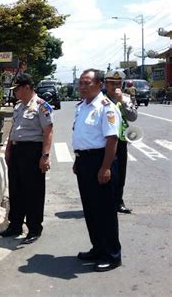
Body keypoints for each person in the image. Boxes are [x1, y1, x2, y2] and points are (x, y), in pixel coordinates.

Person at [72, 68, 122, 272]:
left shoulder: (106, 107)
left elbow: (112, 139)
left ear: (99, 84)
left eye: (87, 83)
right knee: (91, 209)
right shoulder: (82, 106)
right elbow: (83, 135)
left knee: (105, 211)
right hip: (84, 161)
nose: (82, 87)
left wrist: (105, 167)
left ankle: (112, 255)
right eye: (81, 83)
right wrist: (77, 160)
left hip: (101, 161)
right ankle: (98, 248)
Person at [0, 74, 54, 245]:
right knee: (16, 189)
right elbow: (13, 129)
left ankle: (34, 227)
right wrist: (8, 150)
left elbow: (48, 132)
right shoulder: (18, 106)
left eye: (17, 88)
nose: (14, 92)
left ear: (27, 87)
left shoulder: (42, 106)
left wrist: (45, 156)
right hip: (16, 150)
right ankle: (15, 225)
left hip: (33, 151)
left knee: (33, 191)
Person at [104, 70, 138, 213]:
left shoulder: (126, 98)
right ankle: (105, 202)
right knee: (106, 172)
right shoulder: (100, 99)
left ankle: (118, 201)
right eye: (112, 83)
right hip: (104, 142)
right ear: (106, 84)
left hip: (121, 140)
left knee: (120, 173)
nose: (115, 86)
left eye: (118, 83)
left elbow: (133, 116)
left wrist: (122, 102)